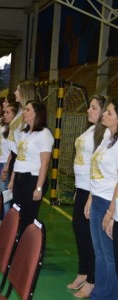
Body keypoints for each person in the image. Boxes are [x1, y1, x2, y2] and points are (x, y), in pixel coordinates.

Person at [67, 95, 108, 298]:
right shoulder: (91, 130)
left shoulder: (105, 134)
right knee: (80, 232)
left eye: (93, 107)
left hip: (94, 191)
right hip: (83, 188)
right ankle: (83, 272)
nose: (88, 110)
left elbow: (98, 166)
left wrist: (90, 192)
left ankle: (92, 279)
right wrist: (78, 189)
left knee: (93, 239)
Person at [85, 98, 118, 300]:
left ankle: (109, 295)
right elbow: (95, 170)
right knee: (99, 252)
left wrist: (111, 211)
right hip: (97, 199)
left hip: (108, 202)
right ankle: (99, 292)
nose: (104, 114)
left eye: (109, 112)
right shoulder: (107, 137)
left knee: (109, 255)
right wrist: (90, 197)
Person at [8, 101, 54, 233]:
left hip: (33, 180)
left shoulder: (44, 134)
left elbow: (44, 164)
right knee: (17, 213)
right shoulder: (25, 132)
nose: (23, 112)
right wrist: (12, 179)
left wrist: (38, 188)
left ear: (36, 113)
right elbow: (19, 158)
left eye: (27, 110)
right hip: (19, 179)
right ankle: (17, 243)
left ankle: (30, 248)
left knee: (28, 217)